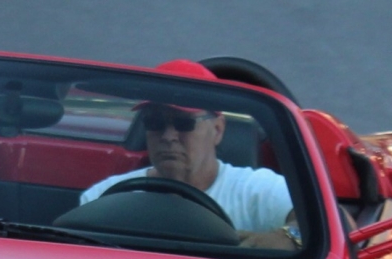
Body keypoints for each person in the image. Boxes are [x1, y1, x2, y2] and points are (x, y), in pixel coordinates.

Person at [78, 98, 295, 238]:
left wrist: (289, 236)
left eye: (184, 123)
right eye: (155, 122)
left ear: (217, 130)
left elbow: (316, 223)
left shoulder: (256, 190)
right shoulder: (102, 198)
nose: (168, 136)